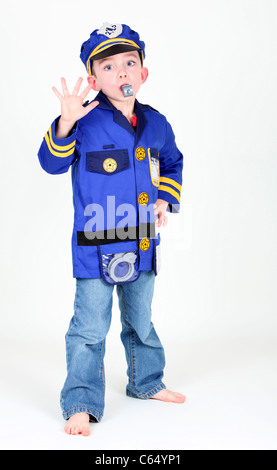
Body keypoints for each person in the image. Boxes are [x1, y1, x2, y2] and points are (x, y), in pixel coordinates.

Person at [38, 22, 185, 437]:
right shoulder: (82, 120)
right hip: (95, 247)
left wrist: (164, 197)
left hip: (142, 244)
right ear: (92, 79)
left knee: (141, 320)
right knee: (88, 329)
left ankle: (147, 381)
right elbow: (51, 163)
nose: (121, 72)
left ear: (143, 73)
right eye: (108, 66)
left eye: (129, 63)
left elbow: (173, 161)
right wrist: (64, 124)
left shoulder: (155, 123)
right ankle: (81, 401)